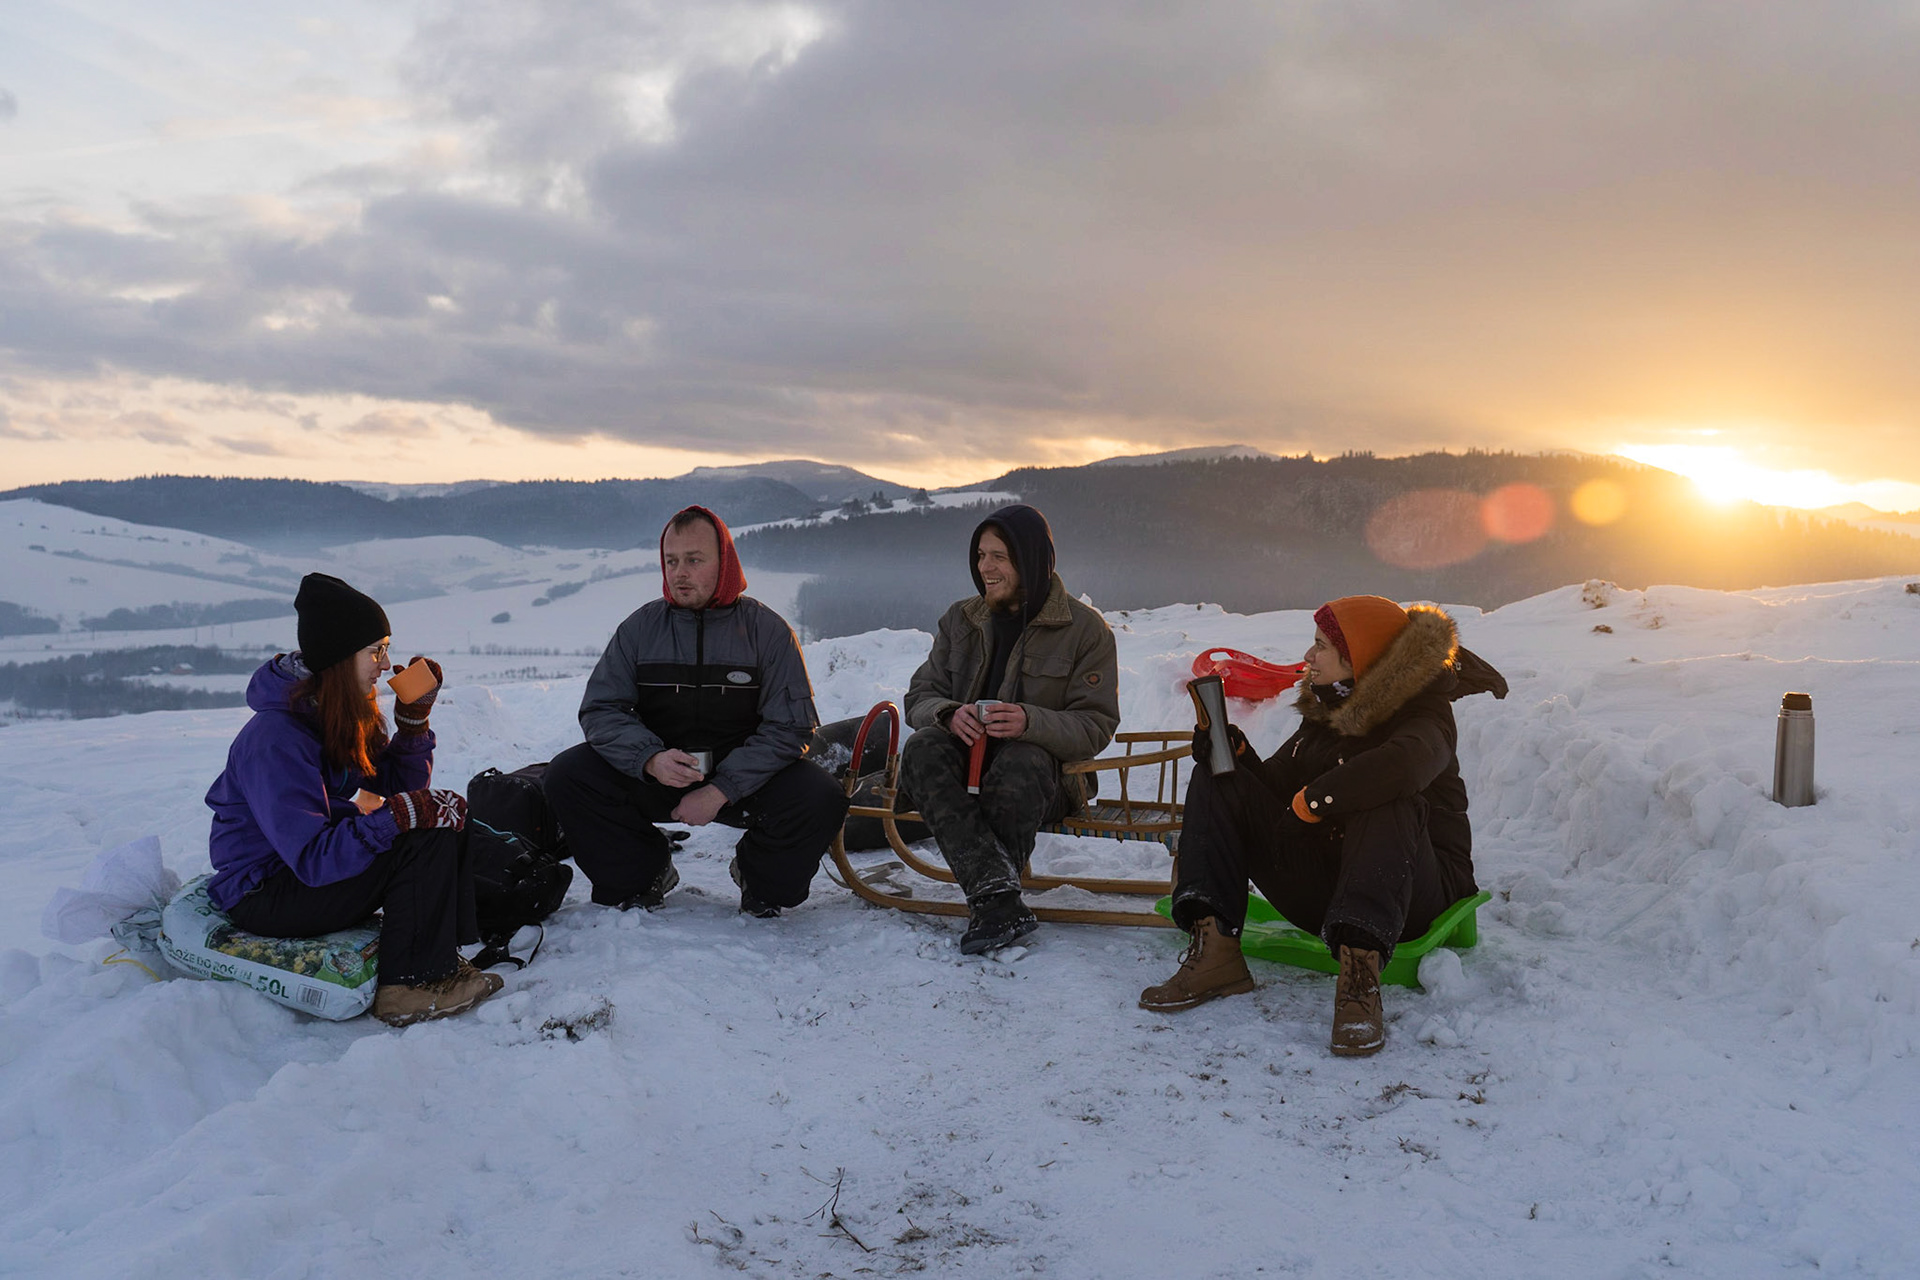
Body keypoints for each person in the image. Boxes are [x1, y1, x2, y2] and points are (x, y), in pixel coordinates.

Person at [1140, 595, 1504, 1055]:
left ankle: (1360, 982)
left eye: (1321, 646)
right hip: (1333, 891)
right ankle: (1215, 952)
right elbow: (1279, 793)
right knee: (1218, 777)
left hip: (1413, 896)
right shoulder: (1329, 708)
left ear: (1360, 656)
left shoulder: (1426, 713)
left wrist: (1318, 799)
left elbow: (1406, 765)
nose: (1308, 656)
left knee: (1385, 795)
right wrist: (1241, 760)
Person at [205, 573, 500, 1027]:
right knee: (419, 839)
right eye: (375, 651)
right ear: (340, 657)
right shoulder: (275, 738)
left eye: (386, 649)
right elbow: (313, 857)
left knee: (440, 823)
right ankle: (410, 986)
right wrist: (396, 819)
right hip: (265, 891)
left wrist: (413, 724)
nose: (386, 665)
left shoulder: (334, 712)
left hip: (300, 873)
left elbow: (392, 790)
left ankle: (441, 953)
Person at [543, 506, 848, 917]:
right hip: (659, 772)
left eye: (693, 560)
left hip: (743, 780)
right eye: (671, 561)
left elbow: (791, 727)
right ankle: (643, 872)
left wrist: (721, 789)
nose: (679, 573)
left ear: (724, 562)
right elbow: (601, 709)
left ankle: (758, 875)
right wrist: (650, 759)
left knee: (820, 796)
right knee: (568, 775)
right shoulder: (640, 629)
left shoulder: (768, 632)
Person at [899, 504, 1119, 953]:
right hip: (967, 767)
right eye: (981, 555)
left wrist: (1029, 721)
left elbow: (1095, 725)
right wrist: (948, 713)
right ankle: (998, 901)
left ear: (1030, 560)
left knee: (1023, 758)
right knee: (922, 747)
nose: (985, 568)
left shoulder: (1084, 630)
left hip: (1046, 780)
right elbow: (920, 695)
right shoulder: (960, 619)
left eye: (999, 557)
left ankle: (991, 897)